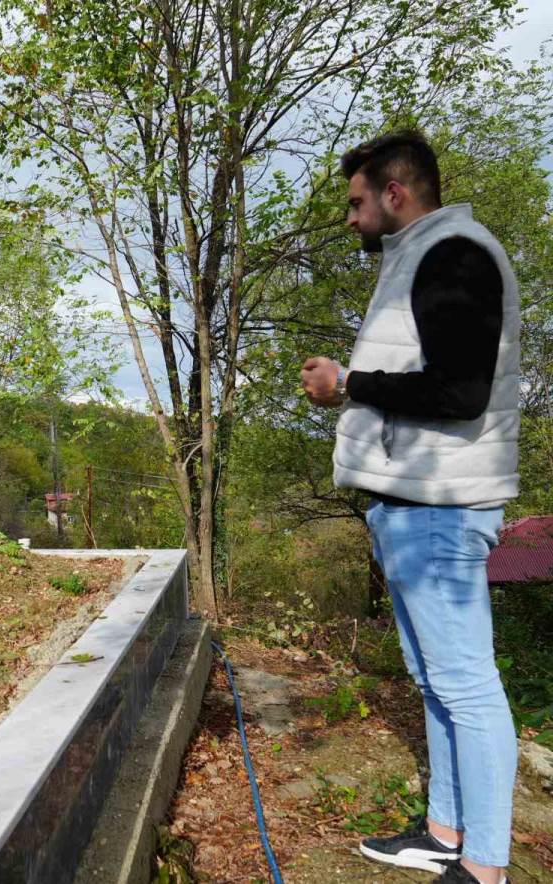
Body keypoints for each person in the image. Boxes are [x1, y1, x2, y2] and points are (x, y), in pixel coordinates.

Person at [301, 130, 519, 884]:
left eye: (358, 202)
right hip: (414, 505)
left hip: (441, 507)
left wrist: (347, 383)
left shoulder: (454, 255)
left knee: (466, 684)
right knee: (435, 681)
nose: (351, 217)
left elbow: (460, 394)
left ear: (396, 193)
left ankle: (485, 866)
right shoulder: (420, 259)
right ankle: (445, 831)